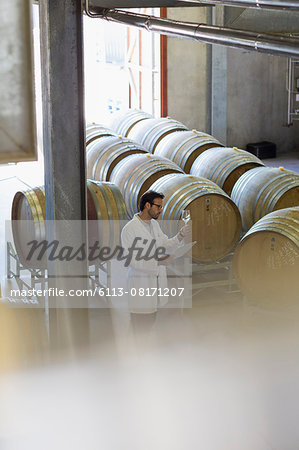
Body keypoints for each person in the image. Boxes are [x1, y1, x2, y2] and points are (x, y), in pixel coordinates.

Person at [121, 190, 190, 317]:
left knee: (152, 319)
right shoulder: (129, 229)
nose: (161, 210)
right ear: (147, 205)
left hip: (156, 282)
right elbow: (131, 260)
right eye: (158, 206)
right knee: (140, 322)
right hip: (140, 283)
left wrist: (180, 235)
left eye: (161, 207)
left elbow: (165, 243)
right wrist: (159, 262)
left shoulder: (154, 225)